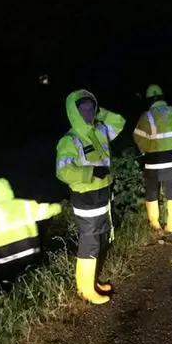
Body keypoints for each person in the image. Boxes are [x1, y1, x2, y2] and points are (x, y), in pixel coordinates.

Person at [55, 89, 126, 305]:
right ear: (74, 112)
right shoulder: (69, 139)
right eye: (83, 109)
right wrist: (90, 173)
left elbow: (119, 122)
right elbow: (63, 171)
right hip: (85, 197)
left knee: (99, 239)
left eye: (90, 108)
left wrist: (100, 112)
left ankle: (92, 282)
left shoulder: (100, 129)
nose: (88, 113)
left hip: (102, 193)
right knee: (90, 242)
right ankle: (85, 290)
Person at [0, 178, 62, 293]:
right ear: (10, 191)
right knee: (35, 276)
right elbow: (46, 210)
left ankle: (6, 295)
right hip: (30, 255)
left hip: (5, 262)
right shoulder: (25, 205)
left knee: (4, 285)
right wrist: (59, 207)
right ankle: (41, 292)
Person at [132, 84, 172, 233]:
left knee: (152, 192)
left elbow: (138, 137)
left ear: (148, 100)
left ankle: (155, 224)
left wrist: (145, 150)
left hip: (153, 161)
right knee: (171, 191)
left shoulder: (147, 116)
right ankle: (171, 226)